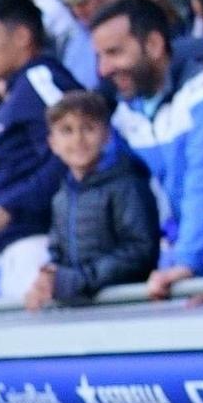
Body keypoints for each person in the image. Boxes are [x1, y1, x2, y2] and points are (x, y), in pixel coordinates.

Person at [89, 0, 203, 298]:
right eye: (99, 57)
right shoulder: (123, 115)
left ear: (154, 45)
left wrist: (187, 262)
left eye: (114, 53)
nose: (103, 69)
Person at [0, 0, 85, 295]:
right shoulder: (17, 90)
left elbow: (78, 154)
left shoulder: (41, 79)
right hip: (15, 246)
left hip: (42, 243)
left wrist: (9, 209)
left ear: (22, 36)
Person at [23, 92, 161, 310]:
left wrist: (79, 280)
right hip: (83, 312)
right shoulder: (61, 197)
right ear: (53, 143)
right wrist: (48, 277)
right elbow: (57, 253)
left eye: (88, 128)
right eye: (66, 131)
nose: (78, 139)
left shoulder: (127, 184)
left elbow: (140, 250)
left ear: (106, 135)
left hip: (129, 308)